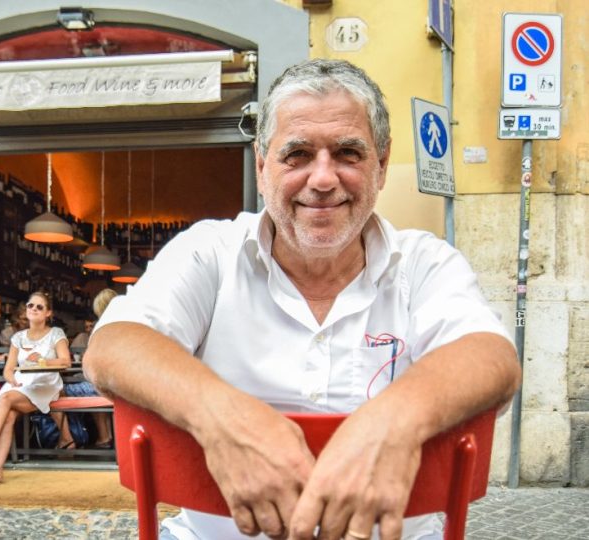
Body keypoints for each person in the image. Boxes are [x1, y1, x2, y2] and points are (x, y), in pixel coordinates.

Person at [84, 59, 520, 540]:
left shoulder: (424, 262)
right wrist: (222, 416)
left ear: (381, 165)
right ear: (261, 164)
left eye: (348, 153)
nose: (323, 178)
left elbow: (491, 357)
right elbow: (114, 346)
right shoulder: (209, 250)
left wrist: (394, 420)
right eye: (297, 155)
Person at [0, 291, 72, 488]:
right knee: (8, 414)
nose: (34, 309)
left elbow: (66, 361)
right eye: (31, 305)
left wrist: (43, 361)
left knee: (4, 400)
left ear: (48, 313)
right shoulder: (18, 337)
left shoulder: (56, 333)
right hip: (21, 383)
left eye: (40, 307)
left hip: (45, 382)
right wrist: (11, 380)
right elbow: (8, 370)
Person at [63, 288, 118, 449]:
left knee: (61, 390)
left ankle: (71, 437)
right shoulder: (123, 325)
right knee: (92, 388)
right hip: (118, 385)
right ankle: (105, 435)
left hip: (104, 386)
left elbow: (92, 361)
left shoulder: (102, 328)